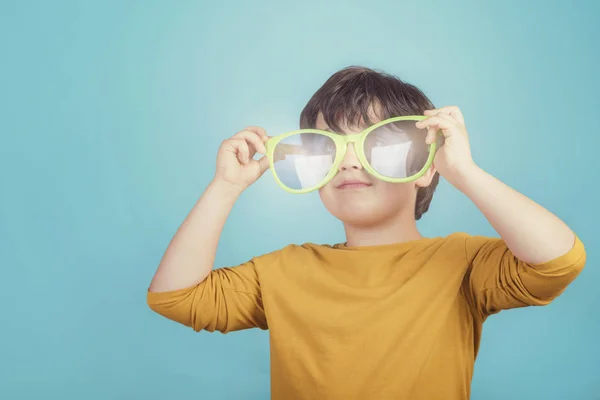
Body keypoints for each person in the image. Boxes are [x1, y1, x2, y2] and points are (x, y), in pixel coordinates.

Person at [146, 66, 586, 400]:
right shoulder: (284, 271)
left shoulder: (463, 264)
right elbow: (176, 297)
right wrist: (225, 188)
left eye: (381, 146)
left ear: (424, 167)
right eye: (327, 148)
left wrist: (465, 173)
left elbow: (558, 260)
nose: (349, 162)